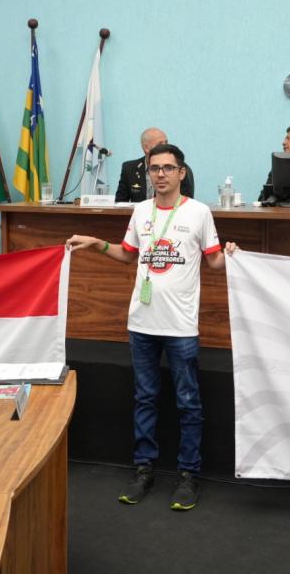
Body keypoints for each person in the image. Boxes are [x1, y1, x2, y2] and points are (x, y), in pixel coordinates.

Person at [67, 143, 236, 511]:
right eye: (154, 168)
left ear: (181, 173)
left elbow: (213, 263)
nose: (160, 174)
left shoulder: (199, 212)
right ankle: (144, 470)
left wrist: (232, 255)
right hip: (142, 323)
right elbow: (128, 255)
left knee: (188, 402)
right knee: (144, 398)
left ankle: (188, 475)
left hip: (180, 326)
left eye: (167, 168)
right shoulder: (141, 210)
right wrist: (97, 244)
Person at [115, 127, 195, 202]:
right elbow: (120, 202)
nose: (165, 147)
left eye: (166, 143)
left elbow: (186, 202)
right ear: (146, 148)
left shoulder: (178, 168)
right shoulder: (129, 168)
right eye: (160, 144)